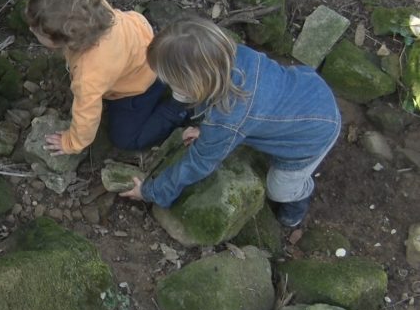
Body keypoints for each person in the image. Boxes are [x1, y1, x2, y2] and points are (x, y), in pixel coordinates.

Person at [119, 14, 341, 227]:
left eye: (171, 82)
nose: (167, 86)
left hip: (311, 137)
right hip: (311, 90)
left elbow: (197, 163)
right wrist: (204, 130)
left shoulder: (226, 119)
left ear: (192, 83)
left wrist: (151, 192)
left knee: (280, 190)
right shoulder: (235, 55)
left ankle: (300, 197)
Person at [24, 0, 189, 155]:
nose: (31, 29)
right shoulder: (90, 1)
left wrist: (71, 143)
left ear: (67, 41)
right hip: (147, 46)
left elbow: (87, 116)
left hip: (142, 85)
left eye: (39, 32)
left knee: (125, 139)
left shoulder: (89, 74)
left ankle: (178, 105)